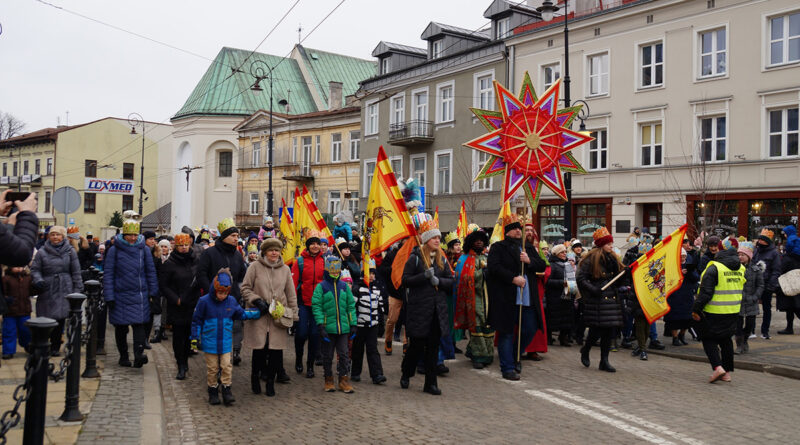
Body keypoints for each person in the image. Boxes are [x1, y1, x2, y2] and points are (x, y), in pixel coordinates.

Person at [487, 214, 546, 381]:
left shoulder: (528, 247)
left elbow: (541, 264)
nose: (518, 231)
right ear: (507, 231)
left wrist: (529, 261)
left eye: (519, 228)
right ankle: (507, 367)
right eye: (514, 228)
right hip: (507, 297)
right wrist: (512, 278)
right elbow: (494, 268)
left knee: (530, 328)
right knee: (506, 332)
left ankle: (514, 355)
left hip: (527, 297)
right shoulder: (499, 247)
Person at [191, 268, 261, 405]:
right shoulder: (204, 301)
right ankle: (212, 390)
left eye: (225, 293)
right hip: (210, 342)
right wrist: (194, 338)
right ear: (214, 289)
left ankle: (226, 389)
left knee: (226, 366)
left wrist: (257, 313)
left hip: (225, 342)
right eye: (220, 292)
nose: (222, 295)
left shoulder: (231, 301)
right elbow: (196, 321)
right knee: (212, 368)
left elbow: (242, 314)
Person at [400, 215, 453, 395]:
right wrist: (424, 276)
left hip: (436, 312)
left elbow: (450, 281)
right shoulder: (415, 258)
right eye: (434, 237)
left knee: (433, 348)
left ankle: (430, 384)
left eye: (439, 237)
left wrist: (439, 280)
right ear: (426, 240)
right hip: (419, 311)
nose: (438, 240)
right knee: (415, 347)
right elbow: (405, 280)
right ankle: (406, 372)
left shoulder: (442, 259)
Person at [241, 238, 298, 396]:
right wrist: (256, 300)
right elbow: (245, 288)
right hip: (259, 315)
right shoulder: (254, 267)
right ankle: (255, 377)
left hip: (277, 316)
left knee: (275, 351)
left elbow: (291, 294)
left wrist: (293, 314)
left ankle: (271, 382)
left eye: (277, 250)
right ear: (265, 252)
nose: (274, 253)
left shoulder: (285, 269)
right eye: (271, 250)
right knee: (259, 349)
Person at [103, 212, 159, 368]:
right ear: (124, 234)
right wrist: (109, 296)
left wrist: (153, 292)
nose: (133, 238)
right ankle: (123, 356)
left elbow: (150, 272)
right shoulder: (114, 251)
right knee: (121, 328)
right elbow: (108, 274)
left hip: (139, 295)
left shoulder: (144, 250)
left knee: (139, 326)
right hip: (120, 295)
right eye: (130, 235)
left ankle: (139, 354)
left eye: (135, 235)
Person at [692, 237, 745, 383]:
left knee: (708, 339)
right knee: (726, 340)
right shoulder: (741, 268)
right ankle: (727, 373)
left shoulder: (714, 267)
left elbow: (705, 293)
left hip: (713, 311)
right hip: (733, 311)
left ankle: (717, 368)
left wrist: (696, 309)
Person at [196, 218, 247, 366]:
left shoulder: (238, 255)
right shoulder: (209, 253)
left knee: (237, 326)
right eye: (233, 236)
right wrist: (211, 292)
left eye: (237, 236)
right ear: (224, 236)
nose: (236, 239)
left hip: (233, 299)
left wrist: (239, 292)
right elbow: (201, 274)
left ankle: (236, 350)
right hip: (214, 300)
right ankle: (216, 360)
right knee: (216, 331)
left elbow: (242, 276)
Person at [577, 227, 627, 373]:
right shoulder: (591, 259)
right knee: (596, 330)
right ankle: (586, 349)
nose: (611, 246)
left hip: (611, 299)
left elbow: (617, 280)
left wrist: (625, 273)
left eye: (611, 243)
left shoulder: (613, 258)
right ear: (601, 244)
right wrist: (593, 289)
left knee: (609, 331)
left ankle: (604, 360)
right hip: (598, 298)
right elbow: (582, 278)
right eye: (608, 244)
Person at [31, 225, 84, 356]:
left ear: (63, 236)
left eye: (58, 234)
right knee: (45, 318)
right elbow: (35, 269)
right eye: (53, 234)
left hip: (64, 287)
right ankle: (42, 345)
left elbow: (76, 272)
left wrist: (77, 289)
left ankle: (55, 347)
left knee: (59, 319)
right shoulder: (42, 252)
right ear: (49, 236)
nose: (55, 237)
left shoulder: (70, 251)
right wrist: (38, 279)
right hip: (47, 287)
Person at [312, 256, 357, 393]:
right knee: (328, 356)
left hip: (343, 328)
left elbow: (350, 306)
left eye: (337, 270)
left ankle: (344, 380)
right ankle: (328, 379)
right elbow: (317, 306)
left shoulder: (344, 286)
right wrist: (320, 324)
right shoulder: (321, 287)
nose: (335, 273)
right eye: (333, 270)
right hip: (328, 328)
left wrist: (353, 324)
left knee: (344, 355)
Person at [159, 233, 201, 380]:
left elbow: (200, 279)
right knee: (178, 337)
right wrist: (175, 299)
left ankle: (185, 360)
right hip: (177, 305)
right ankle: (180, 364)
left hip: (192, 303)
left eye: (186, 245)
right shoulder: (169, 264)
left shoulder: (195, 261)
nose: (183, 248)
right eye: (180, 246)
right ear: (175, 247)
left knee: (189, 335)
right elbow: (163, 286)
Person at [454, 228, 493, 369]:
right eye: (476, 240)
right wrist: (482, 273)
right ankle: (478, 356)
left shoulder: (487, 258)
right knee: (476, 326)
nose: (479, 243)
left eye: (481, 241)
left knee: (487, 326)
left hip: (488, 299)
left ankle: (486, 354)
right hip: (472, 299)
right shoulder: (463, 259)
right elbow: (463, 278)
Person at [291, 231, 326, 377]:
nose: (316, 246)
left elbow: (328, 282)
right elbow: (293, 284)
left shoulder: (324, 261)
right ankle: (299, 359)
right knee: (301, 334)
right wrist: (292, 303)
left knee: (314, 335)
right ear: (308, 245)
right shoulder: (299, 262)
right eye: (312, 243)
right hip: (302, 302)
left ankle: (310, 366)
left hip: (318, 304)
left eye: (318, 243)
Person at [351, 265, 386, 384]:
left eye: (373, 273)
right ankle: (355, 372)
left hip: (373, 325)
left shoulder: (377, 289)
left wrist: (381, 324)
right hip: (360, 325)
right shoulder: (357, 288)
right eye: (368, 273)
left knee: (372, 349)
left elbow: (380, 307)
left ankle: (377, 374)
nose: (371, 276)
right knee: (357, 349)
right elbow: (352, 307)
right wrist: (353, 324)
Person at [664, 248, 699, 347]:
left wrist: (689, 272)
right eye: (681, 256)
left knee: (687, 318)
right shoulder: (671, 266)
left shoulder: (689, 265)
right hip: (674, 295)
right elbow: (668, 279)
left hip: (687, 295)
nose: (682, 258)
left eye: (684, 256)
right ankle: (675, 337)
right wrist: (679, 273)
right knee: (674, 318)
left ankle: (682, 335)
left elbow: (696, 278)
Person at [378, 240, 407, 356]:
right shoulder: (392, 254)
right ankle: (388, 340)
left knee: (408, 320)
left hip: (408, 292)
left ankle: (406, 344)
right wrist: (394, 269)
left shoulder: (414, 253)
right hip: (394, 292)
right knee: (392, 319)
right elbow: (382, 270)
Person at [735, 241, 763, 354]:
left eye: (743, 255)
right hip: (738, 302)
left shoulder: (756, 269)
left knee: (750, 324)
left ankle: (745, 339)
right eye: (739, 255)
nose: (740, 257)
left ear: (749, 256)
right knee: (738, 325)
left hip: (752, 301)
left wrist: (755, 296)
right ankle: (739, 345)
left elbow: (760, 285)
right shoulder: (735, 269)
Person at [753, 229, 781, 339]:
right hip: (754, 284)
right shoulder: (756, 251)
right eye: (759, 239)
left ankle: (765, 331)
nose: (760, 241)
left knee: (766, 308)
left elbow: (776, 270)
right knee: (752, 308)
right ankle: (751, 331)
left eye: (762, 240)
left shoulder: (774, 253)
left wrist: (771, 286)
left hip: (767, 284)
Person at [545, 244, 575, 347]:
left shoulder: (568, 264)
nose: (564, 254)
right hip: (555, 296)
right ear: (556, 254)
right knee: (552, 318)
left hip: (567, 296)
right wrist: (561, 282)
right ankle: (548, 337)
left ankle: (563, 337)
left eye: (565, 252)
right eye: (562, 252)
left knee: (566, 318)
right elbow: (548, 281)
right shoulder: (551, 265)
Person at [2, 266, 33, 359]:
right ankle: (8, 351)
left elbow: (31, 291)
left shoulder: (28, 278)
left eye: (20, 267)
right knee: (9, 331)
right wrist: (6, 299)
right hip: (10, 311)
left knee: (26, 330)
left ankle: (28, 345)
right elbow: (3, 292)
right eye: (16, 266)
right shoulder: (6, 279)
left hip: (24, 310)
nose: (19, 269)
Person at [777, 225, 800, 334]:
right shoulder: (797, 254)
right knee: (794, 307)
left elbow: (782, 269)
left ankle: (789, 328)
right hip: (797, 283)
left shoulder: (788, 256)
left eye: (785, 233)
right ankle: (789, 328)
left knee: (792, 307)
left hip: (789, 284)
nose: (784, 235)